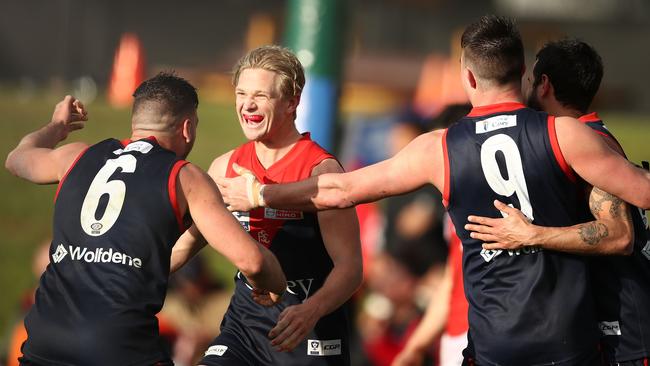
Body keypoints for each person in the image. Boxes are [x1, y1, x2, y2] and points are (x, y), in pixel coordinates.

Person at [217, 16, 650, 365]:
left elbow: (341, 190)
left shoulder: (438, 148)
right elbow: (641, 197)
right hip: (567, 340)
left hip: (492, 341)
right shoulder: (567, 135)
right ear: (523, 73)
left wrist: (261, 195)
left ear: (467, 78)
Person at [4, 72, 286, 366]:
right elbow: (252, 261)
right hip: (119, 346)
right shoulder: (184, 176)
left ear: (136, 122)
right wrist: (276, 285)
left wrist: (58, 126)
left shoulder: (74, 156)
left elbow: (17, 159)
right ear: (187, 128)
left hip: (43, 341)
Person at [170, 45, 363, 366]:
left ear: (292, 102)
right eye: (242, 93)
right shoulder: (224, 167)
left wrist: (310, 310)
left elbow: (351, 268)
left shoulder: (321, 170)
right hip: (244, 328)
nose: (248, 104)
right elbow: (186, 244)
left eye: (261, 95)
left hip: (306, 332)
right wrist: (126, 277)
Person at [465, 39, 650, 366]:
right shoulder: (579, 138)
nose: (524, 89)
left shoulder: (590, 144)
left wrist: (532, 234)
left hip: (627, 335)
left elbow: (620, 235)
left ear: (545, 85)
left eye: (531, 81)